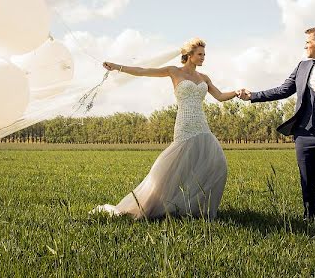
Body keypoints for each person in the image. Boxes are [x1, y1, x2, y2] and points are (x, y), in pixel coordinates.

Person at [93, 38, 236, 219]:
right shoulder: (173, 71)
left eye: (204, 55)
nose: (203, 58)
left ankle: (195, 206)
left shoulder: (204, 78)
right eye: (200, 54)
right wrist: (116, 66)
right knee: (176, 167)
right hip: (184, 125)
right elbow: (142, 71)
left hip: (202, 125)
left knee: (216, 164)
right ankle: (155, 203)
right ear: (189, 55)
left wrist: (237, 93)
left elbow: (221, 96)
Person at [238, 27, 315, 224]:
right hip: (304, 134)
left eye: (308, 42)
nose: (305, 46)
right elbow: (282, 90)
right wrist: (253, 96)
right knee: (308, 180)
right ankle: (311, 218)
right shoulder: (302, 67)